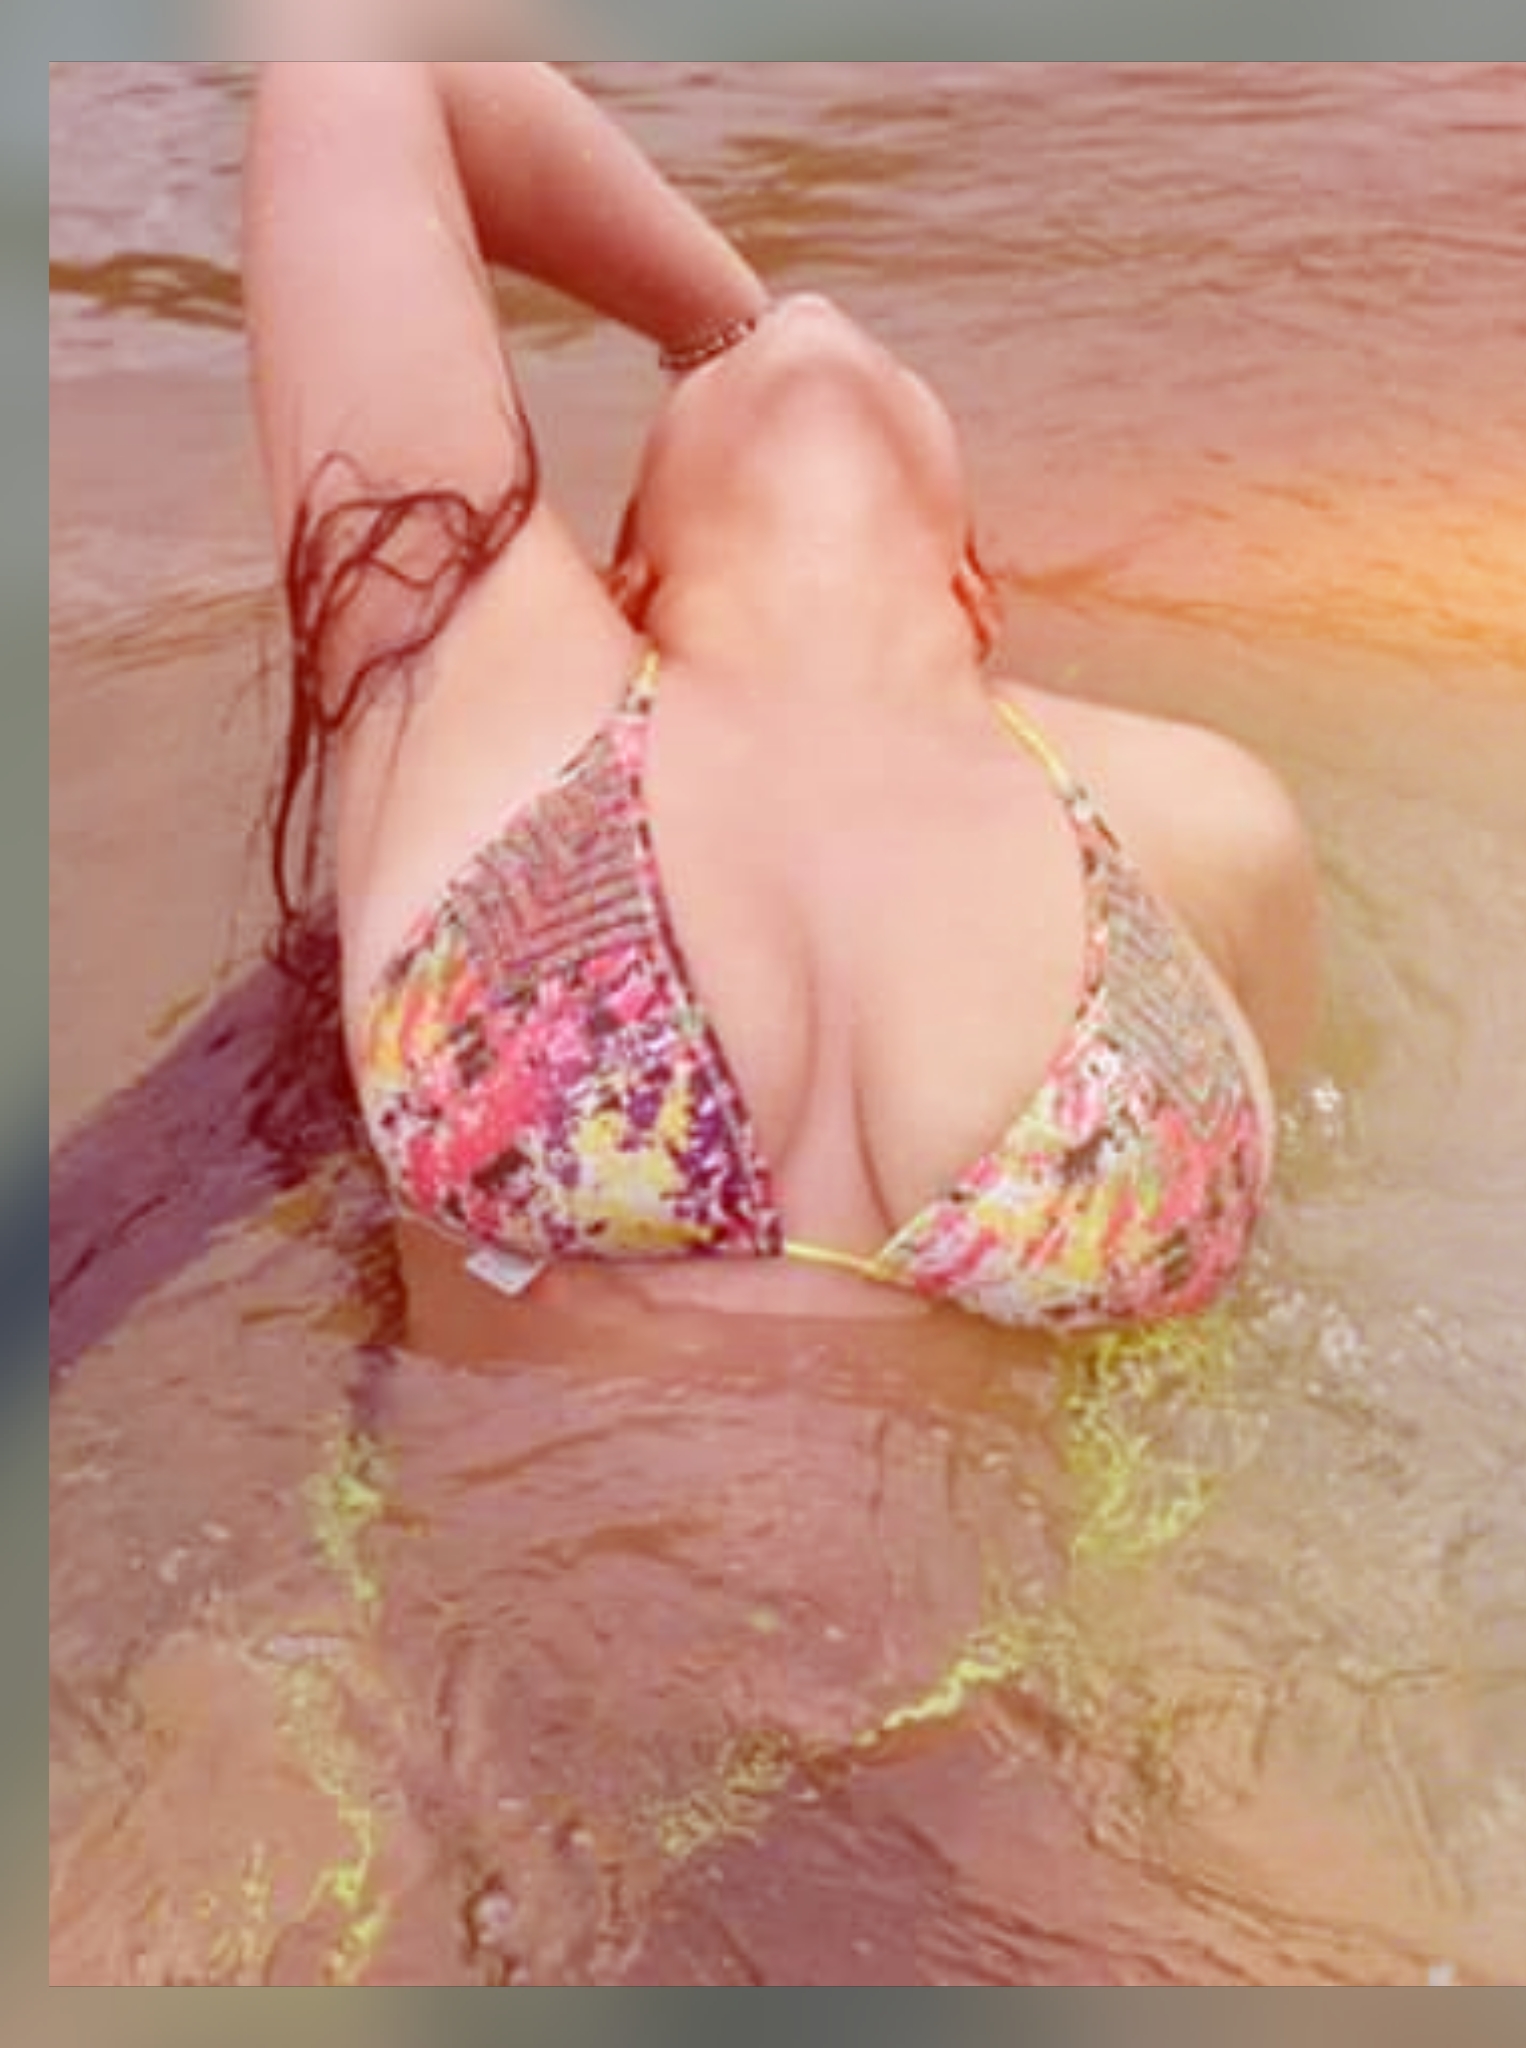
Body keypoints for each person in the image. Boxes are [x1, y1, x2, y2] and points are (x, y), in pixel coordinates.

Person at [242, 62, 1321, 1358]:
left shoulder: (1204, 811)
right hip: (500, 1496)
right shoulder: (490, 683)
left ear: (975, 587)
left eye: (881, 360)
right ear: (626, 584)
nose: (821, 326)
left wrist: (742, 352)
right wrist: (718, 321)